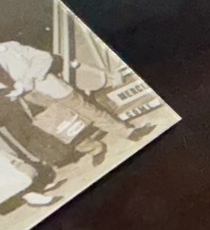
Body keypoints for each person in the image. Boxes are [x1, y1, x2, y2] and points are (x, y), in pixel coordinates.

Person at [0, 38, 150, 150]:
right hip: (28, 100)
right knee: (59, 127)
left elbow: (44, 58)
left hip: (48, 86)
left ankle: (128, 132)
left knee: (87, 110)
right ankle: (94, 148)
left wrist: (28, 80)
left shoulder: (10, 48)